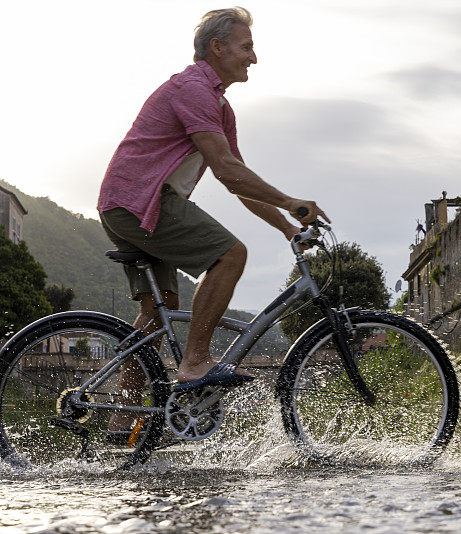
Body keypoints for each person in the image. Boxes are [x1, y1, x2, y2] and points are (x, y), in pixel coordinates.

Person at [97, 7, 327, 431]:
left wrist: (287, 227)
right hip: (139, 201)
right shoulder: (193, 90)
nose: (253, 58)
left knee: (158, 310)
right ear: (217, 48)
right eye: (247, 47)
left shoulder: (218, 107)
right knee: (230, 254)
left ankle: (122, 418)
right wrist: (292, 201)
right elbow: (225, 168)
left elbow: (235, 180)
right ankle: (195, 361)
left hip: (126, 203)